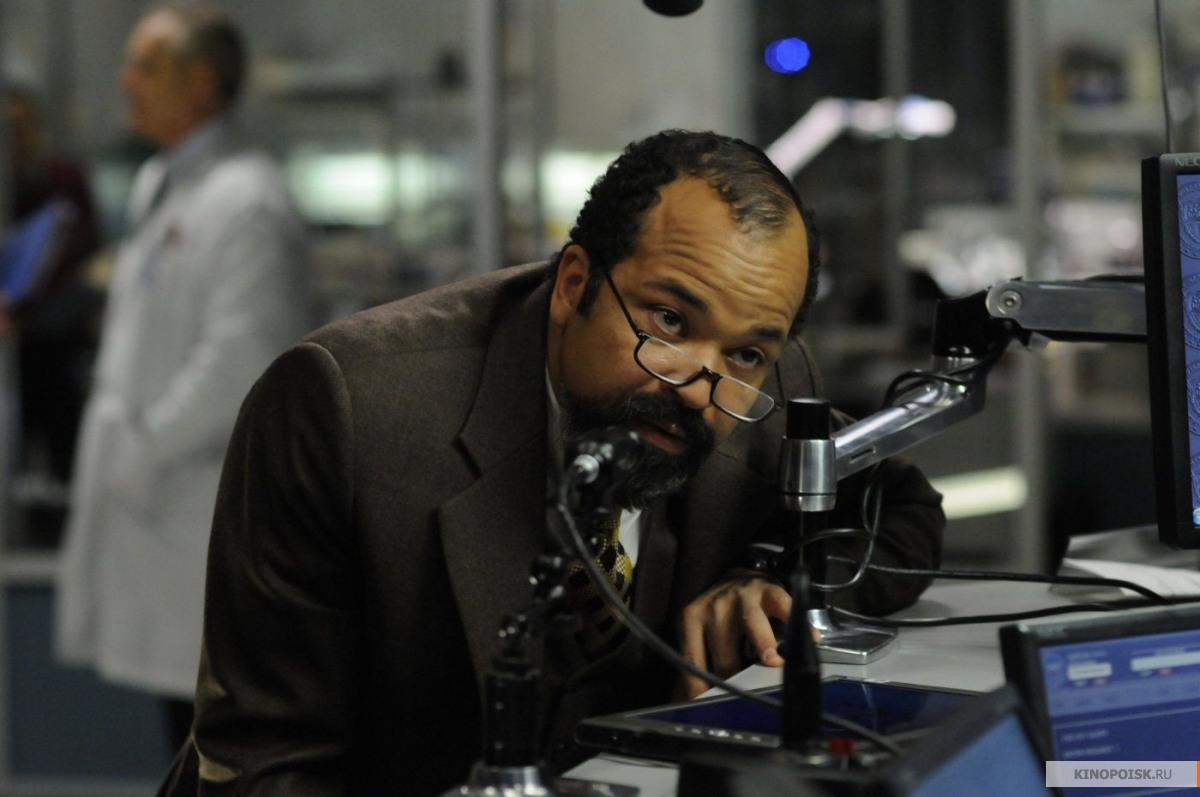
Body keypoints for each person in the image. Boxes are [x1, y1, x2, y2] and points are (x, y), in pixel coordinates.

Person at [158, 130, 944, 795]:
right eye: (669, 321)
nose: (697, 388)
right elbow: (265, 765)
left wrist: (769, 573)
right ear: (573, 285)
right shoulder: (347, 408)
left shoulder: (759, 386)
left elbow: (904, 515)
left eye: (744, 353)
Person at [54, 1, 312, 754]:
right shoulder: (162, 182)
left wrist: (147, 445)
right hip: (156, 504)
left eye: (147, 66)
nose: (125, 80)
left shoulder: (247, 198)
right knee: (179, 727)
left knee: (215, 731)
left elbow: (243, 359)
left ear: (202, 82)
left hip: (196, 498)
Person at [2, 85, 104, 490]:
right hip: (13, 338)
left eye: (20, 127)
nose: (15, 138)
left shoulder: (62, 178)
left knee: (64, 446)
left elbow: (89, 244)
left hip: (54, 333)